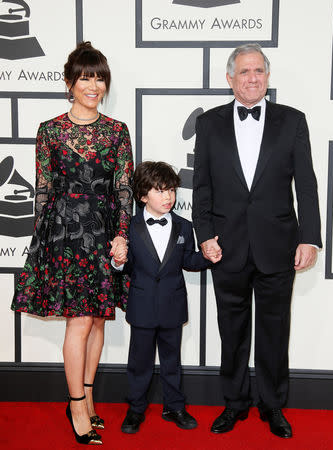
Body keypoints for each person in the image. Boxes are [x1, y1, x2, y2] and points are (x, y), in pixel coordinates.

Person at [192, 43, 322, 439]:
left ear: (267, 76)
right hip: (226, 246)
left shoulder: (293, 121)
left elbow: (308, 184)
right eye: (245, 72)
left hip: (278, 245)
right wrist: (203, 236)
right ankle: (234, 404)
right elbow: (202, 189)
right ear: (230, 78)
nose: (253, 78)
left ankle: (272, 405)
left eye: (259, 71)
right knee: (231, 332)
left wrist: (310, 238)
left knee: (274, 331)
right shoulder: (209, 123)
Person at [11, 41, 133, 445]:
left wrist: (121, 235)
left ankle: (90, 397)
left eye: (99, 78)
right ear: (69, 83)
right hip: (64, 236)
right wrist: (41, 244)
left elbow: (123, 190)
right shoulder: (49, 131)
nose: (93, 85)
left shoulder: (117, 131)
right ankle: (76, 404)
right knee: (80, 321)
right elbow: (43, 192)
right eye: (85, 78)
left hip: (102, 234)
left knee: (98, 319)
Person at [112, 161, 220, 434]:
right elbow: (125, 265)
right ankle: (136, 410)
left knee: (172, 361)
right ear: (142, 195)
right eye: (160, 190)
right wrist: (118, 261)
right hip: (141, 305)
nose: (168, 197)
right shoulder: (130, 227)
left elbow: (189, 261)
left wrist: (208, 257)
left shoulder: (184, 226)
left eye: (171, 190)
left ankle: (175, 407)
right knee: (139, 363)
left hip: (173, 304)